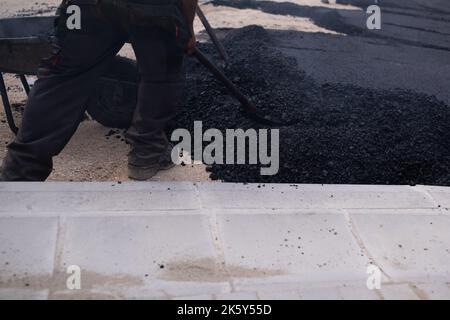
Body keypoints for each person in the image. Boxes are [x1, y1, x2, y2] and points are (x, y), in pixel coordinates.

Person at [0, 0, 197, 181]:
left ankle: (20, 170)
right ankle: (147, 150)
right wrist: (187, 26)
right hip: (152, 8)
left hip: (85, 7)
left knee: (64, 77)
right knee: (161, 73)